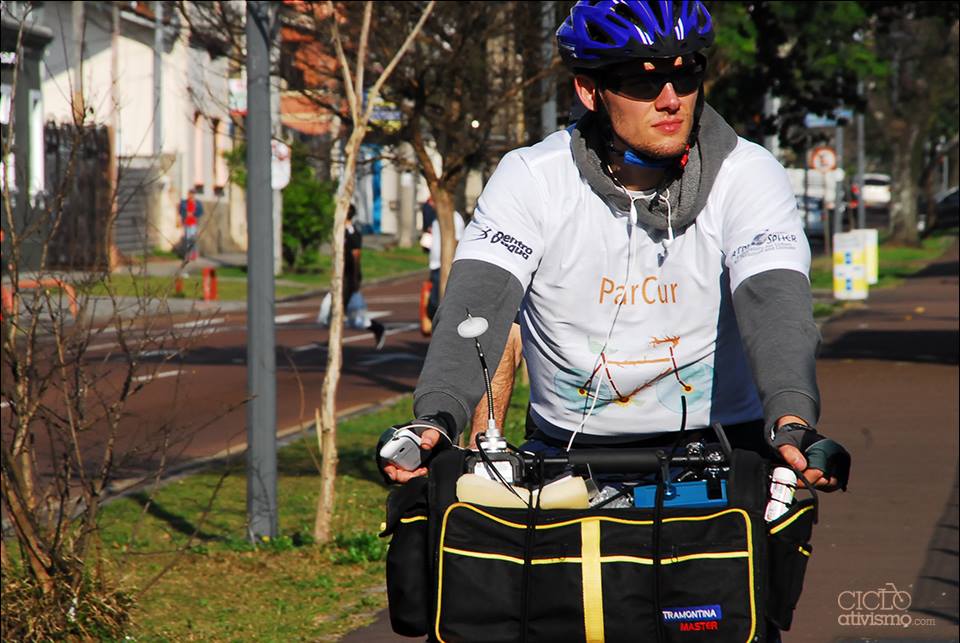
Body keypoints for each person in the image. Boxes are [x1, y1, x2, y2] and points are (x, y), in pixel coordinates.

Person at [383, 0, 850, 597]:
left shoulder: (748, 175)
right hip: (565, 457)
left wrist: (791, 415)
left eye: (686, 74)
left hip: (719, 447)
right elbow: (478, 302)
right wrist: (437, 415)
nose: (671, 98)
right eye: (641, 79)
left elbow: (775, 303)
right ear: (589, 89)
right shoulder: (533, 177)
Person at [320, 205, 385, 349]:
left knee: (340, 311)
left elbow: (356, 257)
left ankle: (376, 328)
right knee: (331, 311)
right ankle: (334, 340)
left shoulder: (353, 233)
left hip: (349, 279)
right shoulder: (339, 232)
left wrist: (355, 279)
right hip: (340, 277)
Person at [426, 208, 466, 320]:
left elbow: (457, 240)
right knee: (434, 302)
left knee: (435, 303)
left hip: (445, 266)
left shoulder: (455, 217)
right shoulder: (436, 217)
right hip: (435, 264)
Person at [177, 189, 204, 261]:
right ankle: (188, 254)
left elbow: (201, 212)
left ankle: (194, 254)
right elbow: (180, 211)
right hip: (186, 223)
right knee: (187, 239)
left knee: (193, 239)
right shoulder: (184, 202)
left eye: (192, 194)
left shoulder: (197, 203)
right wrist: (186, 214)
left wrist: (193, 214)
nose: (191, 195)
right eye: (190, 194)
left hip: (194, 223)